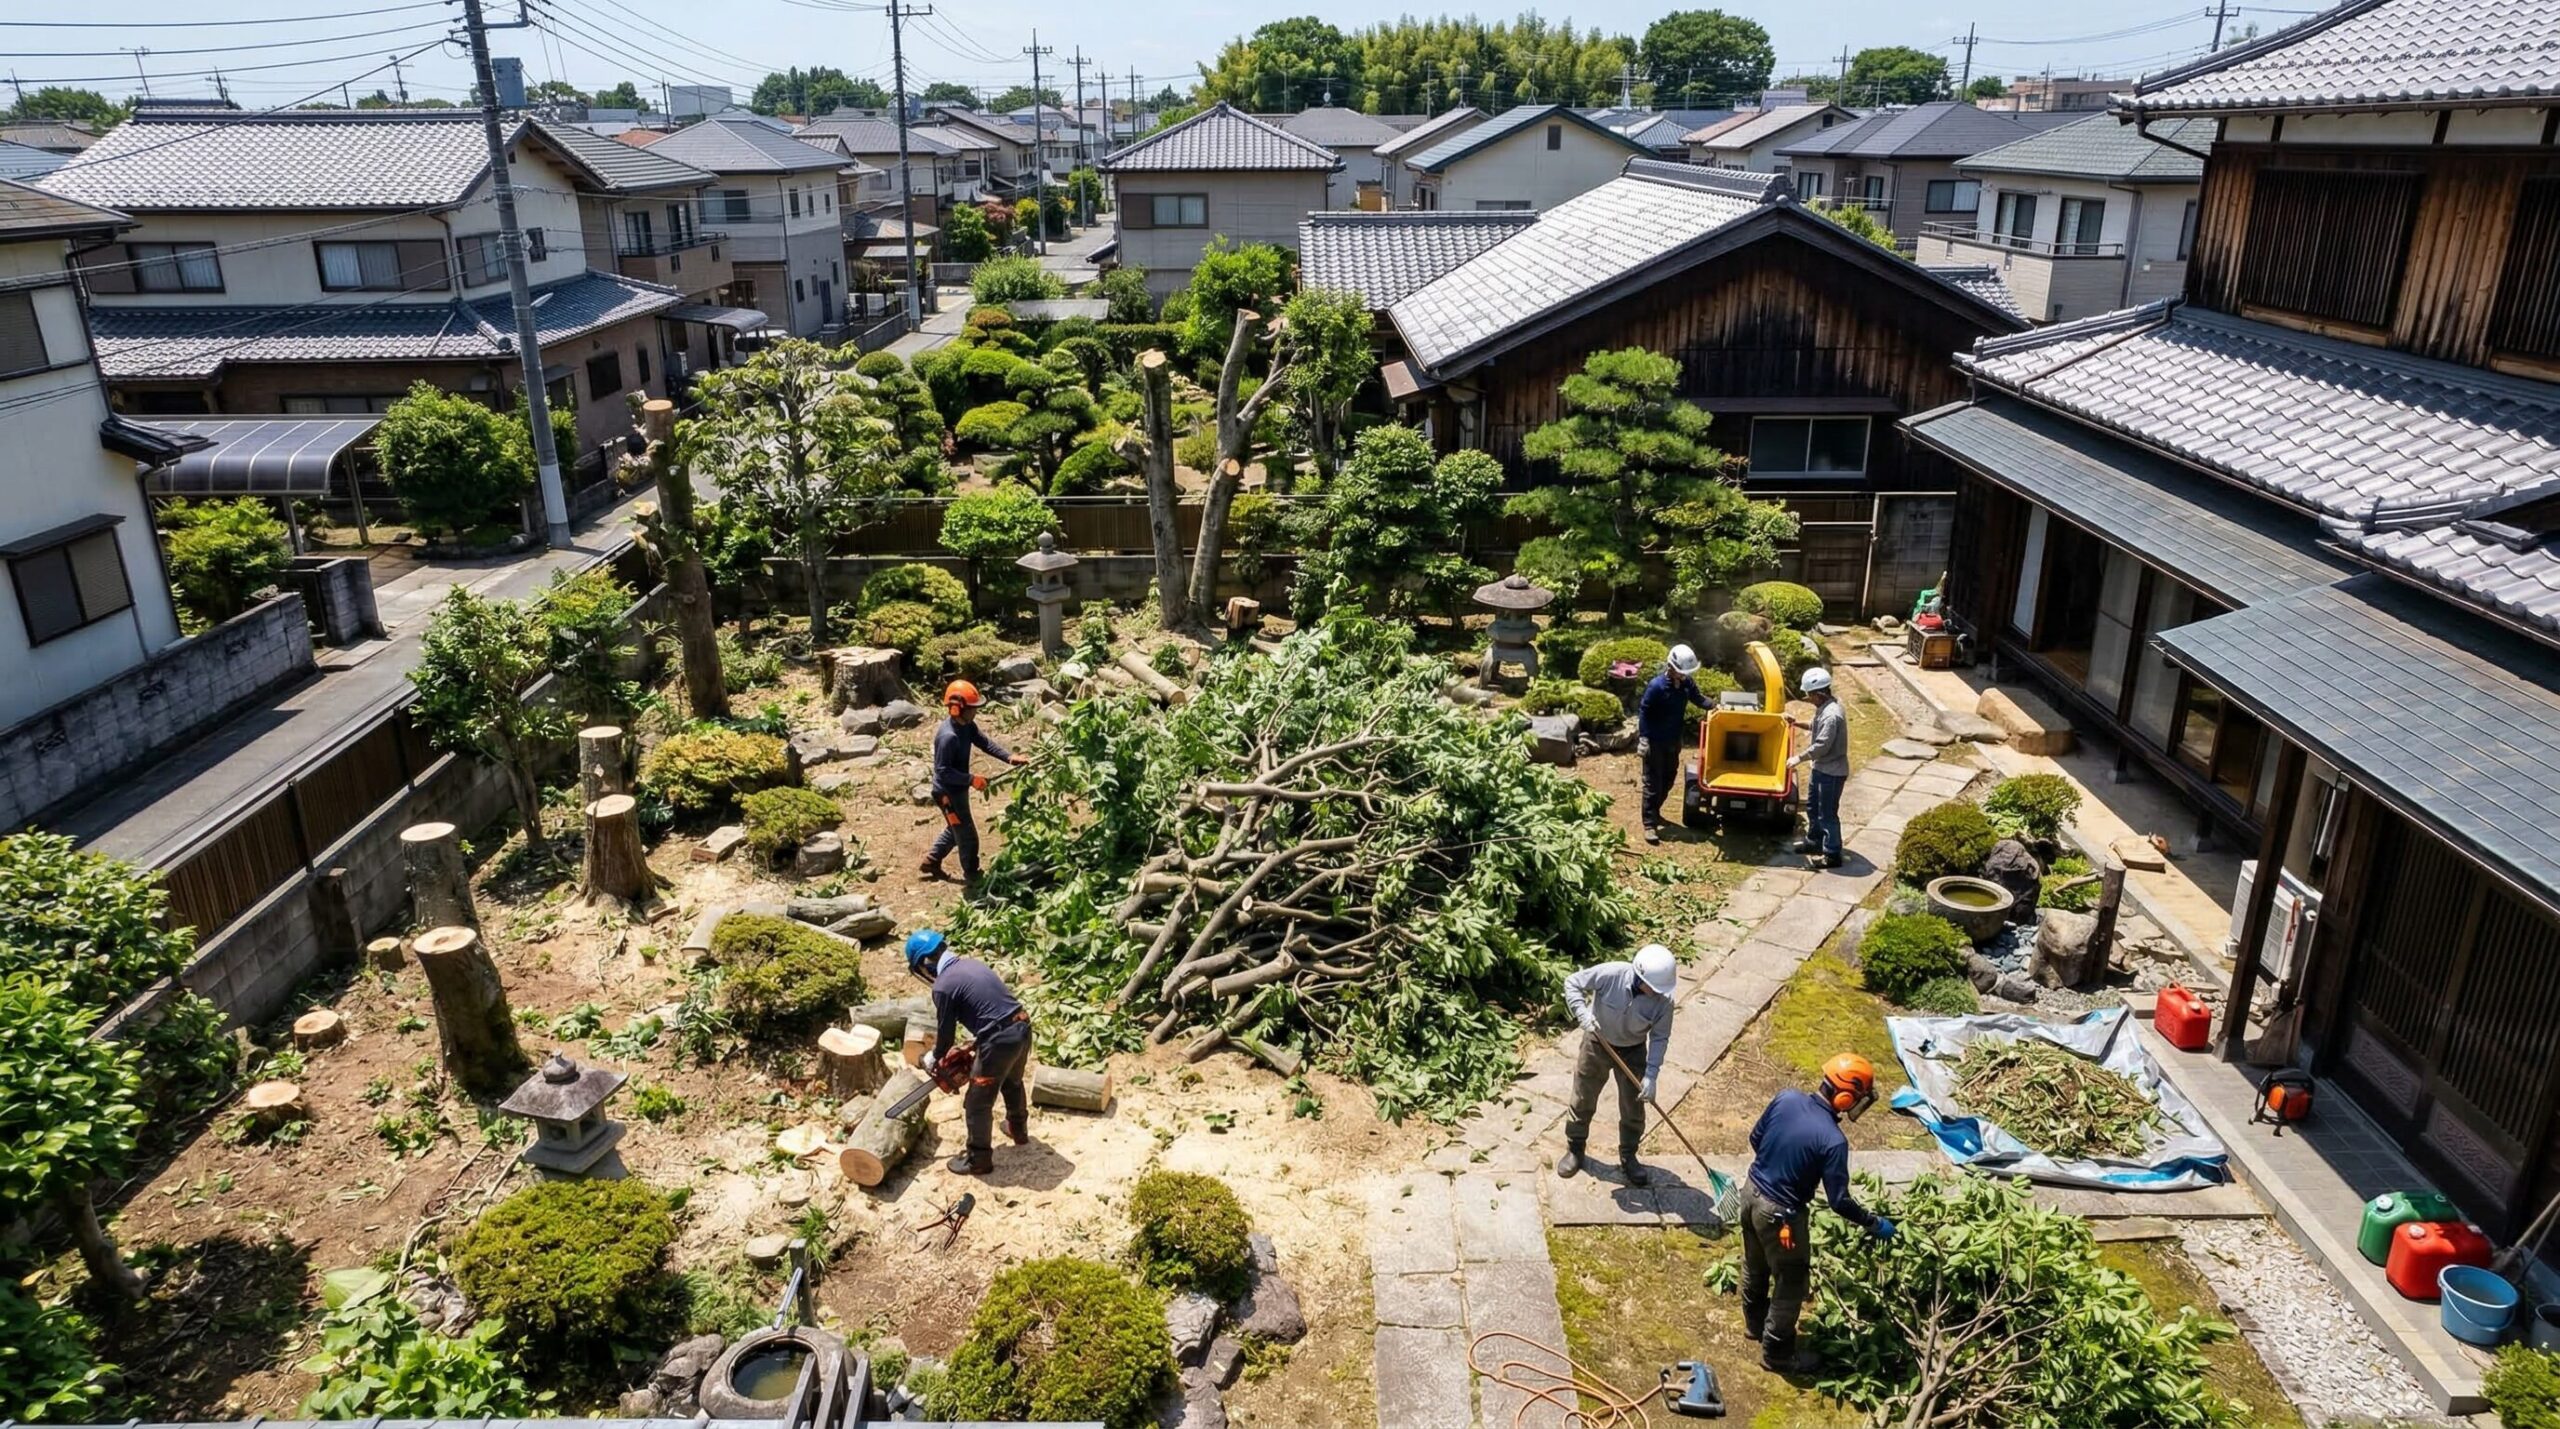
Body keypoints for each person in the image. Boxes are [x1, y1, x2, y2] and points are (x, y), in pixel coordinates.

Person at [1739, 1053, 1897, 1373]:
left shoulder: (1786, 1098)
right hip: (1781, 1218)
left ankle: (1755, 1325)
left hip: (1750, 1194)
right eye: (1858, 1099)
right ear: (1845, 1096)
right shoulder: (1833, 1140)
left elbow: (1755, 1138)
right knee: (1791, 1280)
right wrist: (1873, 1222)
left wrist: (1780, 1163)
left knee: (1754, 1263)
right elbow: (1839, 1201)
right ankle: (1777, 1354)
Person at [905, 928, 1033, 1176]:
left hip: (999, 1040)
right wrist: (976, 1043)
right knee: (1012, 1081)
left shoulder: (943, 986)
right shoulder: (973, 965)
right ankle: (1018, 1130)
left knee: (976, 1103)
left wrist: (934, 1057)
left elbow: (946, 1034)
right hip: (1022, 1025)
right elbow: (995, 1009)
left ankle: (978, 1159)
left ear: (924, 963)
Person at [1555, 944, 1678, 1187]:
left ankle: (1629, 1155)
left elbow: (1660, 1038)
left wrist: (1651, 1075)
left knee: (1634, 1107)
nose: (1655, 992)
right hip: (1597, 1042)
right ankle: (1575, 1148)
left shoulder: (1664, 1002)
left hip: (1633, 1051)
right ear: (1639, 976)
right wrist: (1582, 1012)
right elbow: (1572, 982)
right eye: (1652, 987)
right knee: (1583, 1098)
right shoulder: (1611, 974)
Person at [920, 679, 1027, 883]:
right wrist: (971, 779)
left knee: (956, 829)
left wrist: (1009, 757)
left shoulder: (967, 726)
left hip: (957, 789)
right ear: (957, 708)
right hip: (947, 794)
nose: (975, 712)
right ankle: (972, 874)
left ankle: (931, 861)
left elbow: (984, 743)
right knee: (967, 834)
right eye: (973, 708)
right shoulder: (948, 737)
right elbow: (942, 772)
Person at [1636, 644, 1708, 844]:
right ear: (1671, 666)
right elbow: (1644, 712)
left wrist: (1716, 706)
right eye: (1682, 672)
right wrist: (1643, 738)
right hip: (1654, 742)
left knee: (1669, 778)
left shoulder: (1686, 684)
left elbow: (1698, 699)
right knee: (1652, 782)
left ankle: (1656, 811)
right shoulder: (1656, 686)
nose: (1685, 676)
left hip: (1673, 740)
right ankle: (1650, 824)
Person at [1787, 667, 1849, 868]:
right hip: (1820, 769)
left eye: (1810, 695)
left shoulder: (1832, 715)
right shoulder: (1824, 707)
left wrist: (1799, 757)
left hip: (1831, 772)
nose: (1808, 699)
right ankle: (1814, 842)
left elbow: (1822, 745)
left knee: (1827, 813)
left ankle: (1832, 853)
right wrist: (1796, 723)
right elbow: (1815, 726)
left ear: (1819, 693)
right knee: (1813, 807)